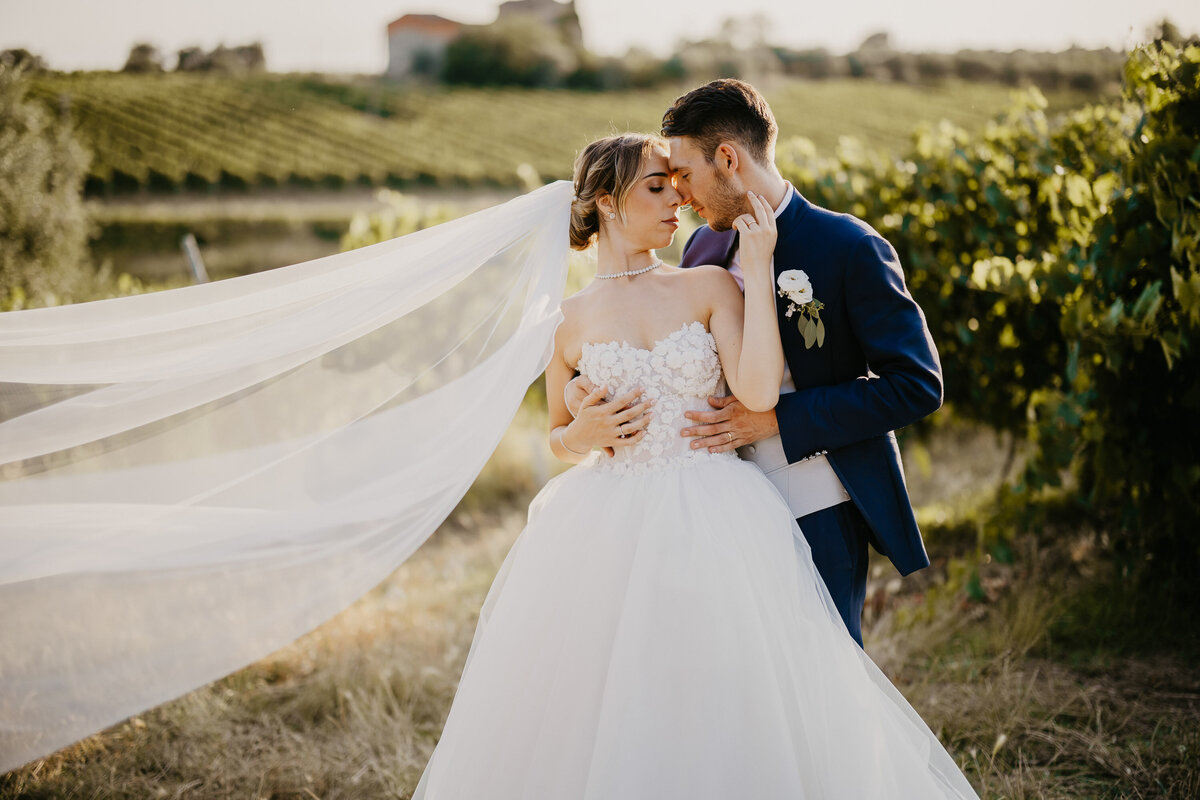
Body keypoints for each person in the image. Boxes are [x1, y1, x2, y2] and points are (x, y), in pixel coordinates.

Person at [409, 133, 978, 798]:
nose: (676, 199)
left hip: (722, 510)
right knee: (619, 693)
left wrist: (761, 269)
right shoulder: (564, 321)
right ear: (605, 202)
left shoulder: (707, 281)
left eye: (676, 184)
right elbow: (560, 437)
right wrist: (582, 432)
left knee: (746, 688)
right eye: (657, 187)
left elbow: (760, 393)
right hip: (607, 526)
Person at [568, 79, 942, 646]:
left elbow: (916, 384)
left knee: (822, 671)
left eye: (685, 176)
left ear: (727, 158)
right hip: (713, 508)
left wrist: (777, 421)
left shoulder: (846, 246)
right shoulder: (702, 253)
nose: (681, 196)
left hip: (819, 501)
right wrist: (579, 398)